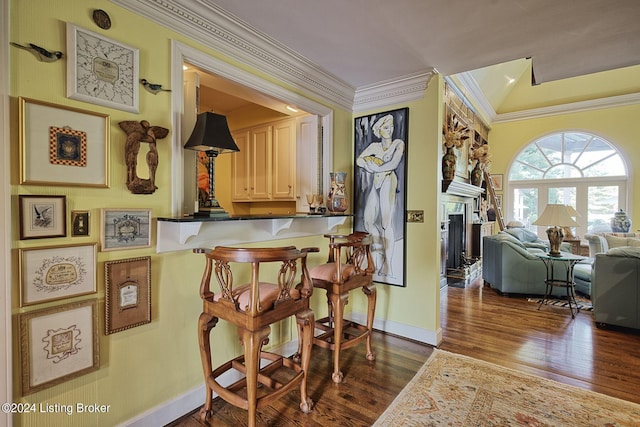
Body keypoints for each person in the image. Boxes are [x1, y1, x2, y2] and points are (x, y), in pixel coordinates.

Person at [356, 114, 405, 277]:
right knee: (368, 222)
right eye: (385, 127)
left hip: (388, 181)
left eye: (391, 126)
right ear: (378, 130)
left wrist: (372, 166)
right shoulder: (374, 146)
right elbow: (358, 160)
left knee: (385, 223)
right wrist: (369, 161)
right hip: (375, 182)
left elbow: (393, 164)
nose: (389, 129)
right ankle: (381, 254)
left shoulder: (398, 144)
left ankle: (388, 266)